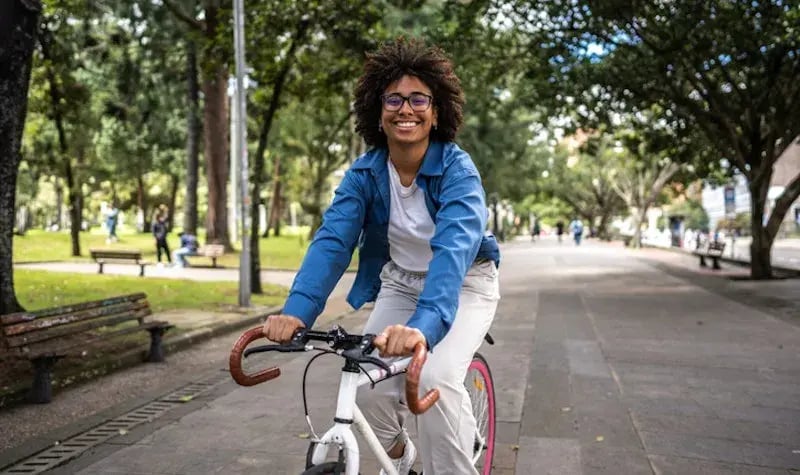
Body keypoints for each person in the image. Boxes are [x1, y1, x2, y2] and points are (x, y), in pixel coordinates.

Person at [260, 38, 500, 475]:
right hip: (401, 282)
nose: (405, 109)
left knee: (434, 378)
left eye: (418, 99)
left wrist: (422, 329)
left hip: (464, 284)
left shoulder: (457, 172)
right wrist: (296, 312)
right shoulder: (366, 173)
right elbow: (333, 241)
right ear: (378, 111)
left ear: (436, 112)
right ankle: (405, 460)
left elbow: (452, 255)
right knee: (364, 382)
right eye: (394, 99)